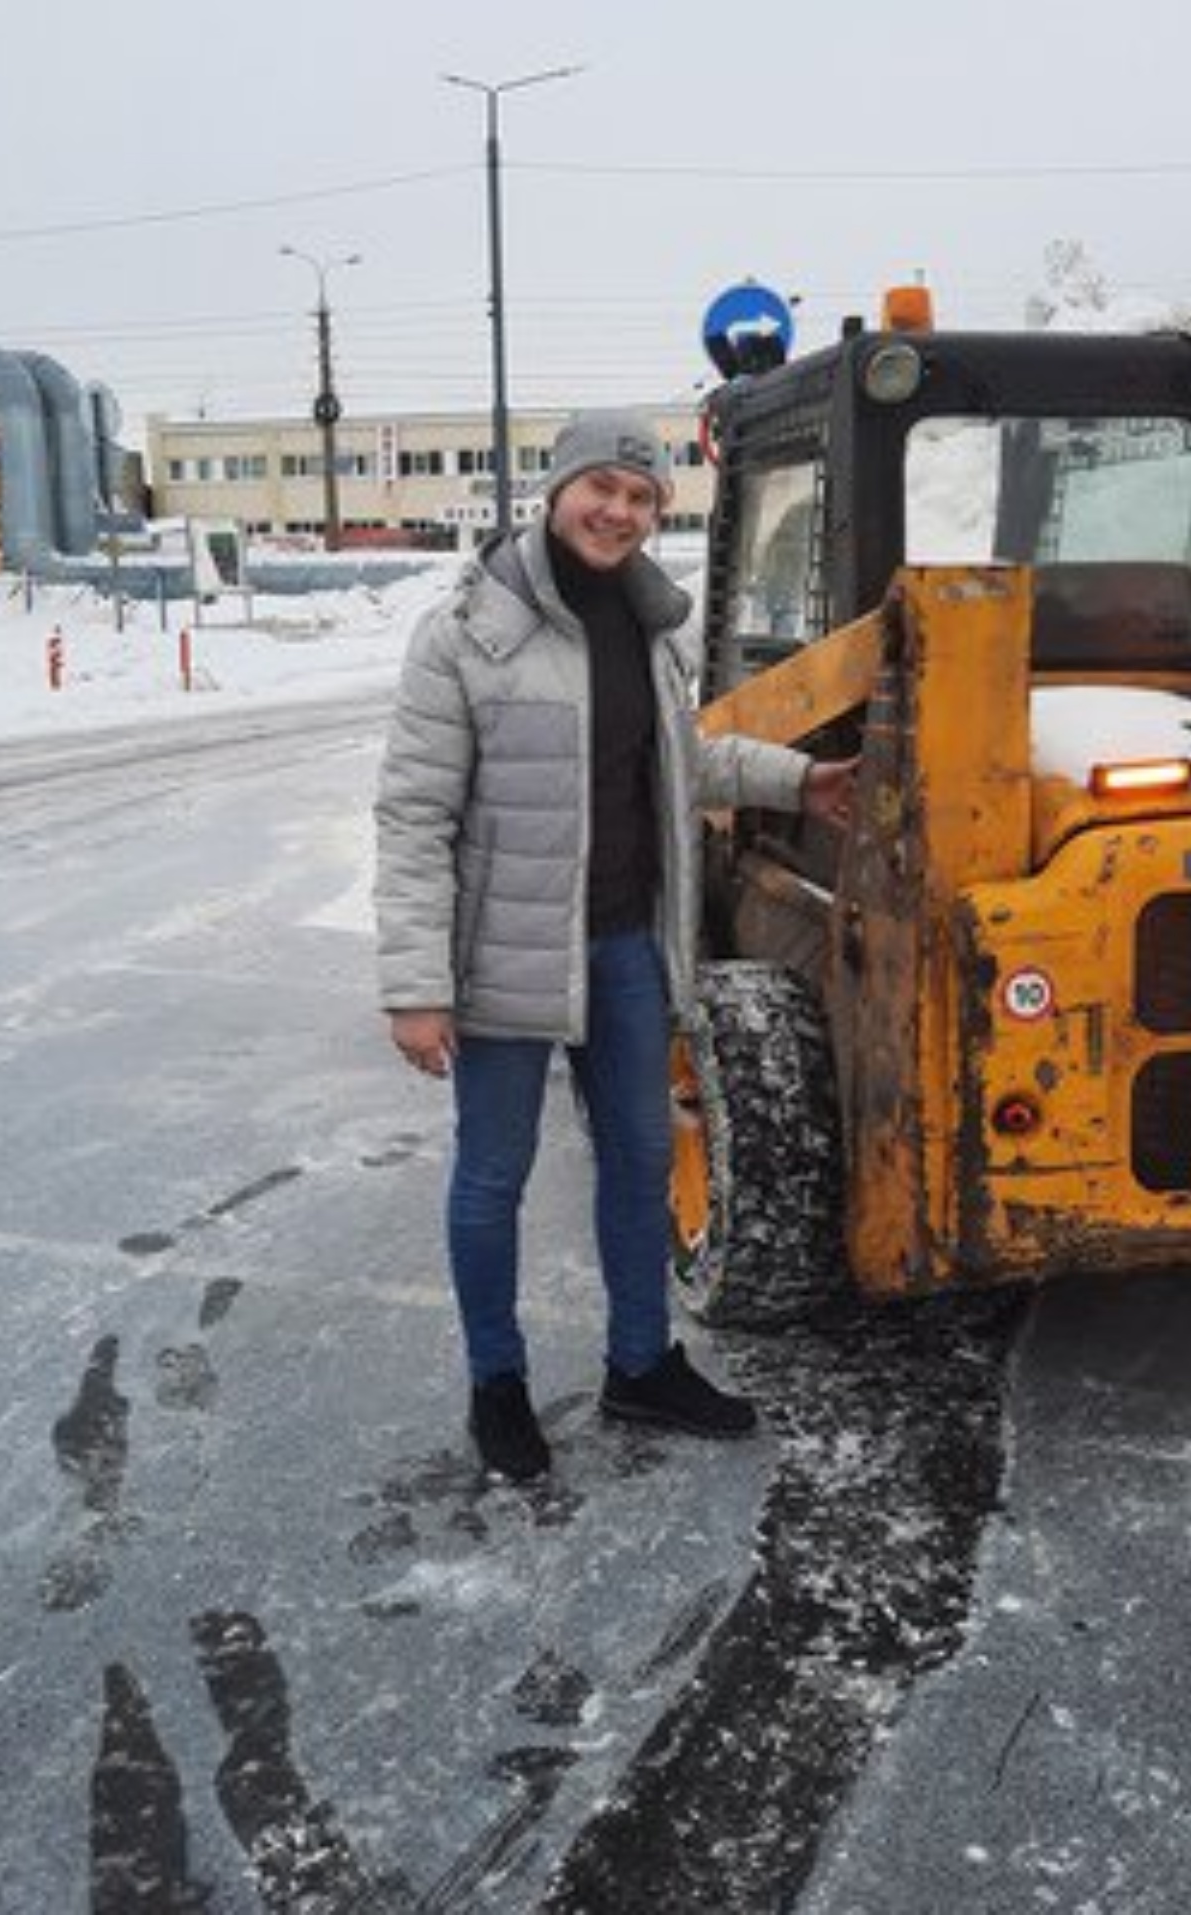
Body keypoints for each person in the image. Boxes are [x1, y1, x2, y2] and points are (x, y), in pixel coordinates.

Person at [374, 410, 856, 1481]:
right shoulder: (464, 632)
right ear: (555, 493)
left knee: (642, 1159)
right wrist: (416, 986)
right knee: (495, 1173)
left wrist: (799, 780)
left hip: (629, 942)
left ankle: (642, 1362)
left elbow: (681, 760)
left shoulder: (646, 625)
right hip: (502, 955)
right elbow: (412, 816)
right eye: (602, 488)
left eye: (642, 497)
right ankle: (497, 1384)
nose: (620, 512)